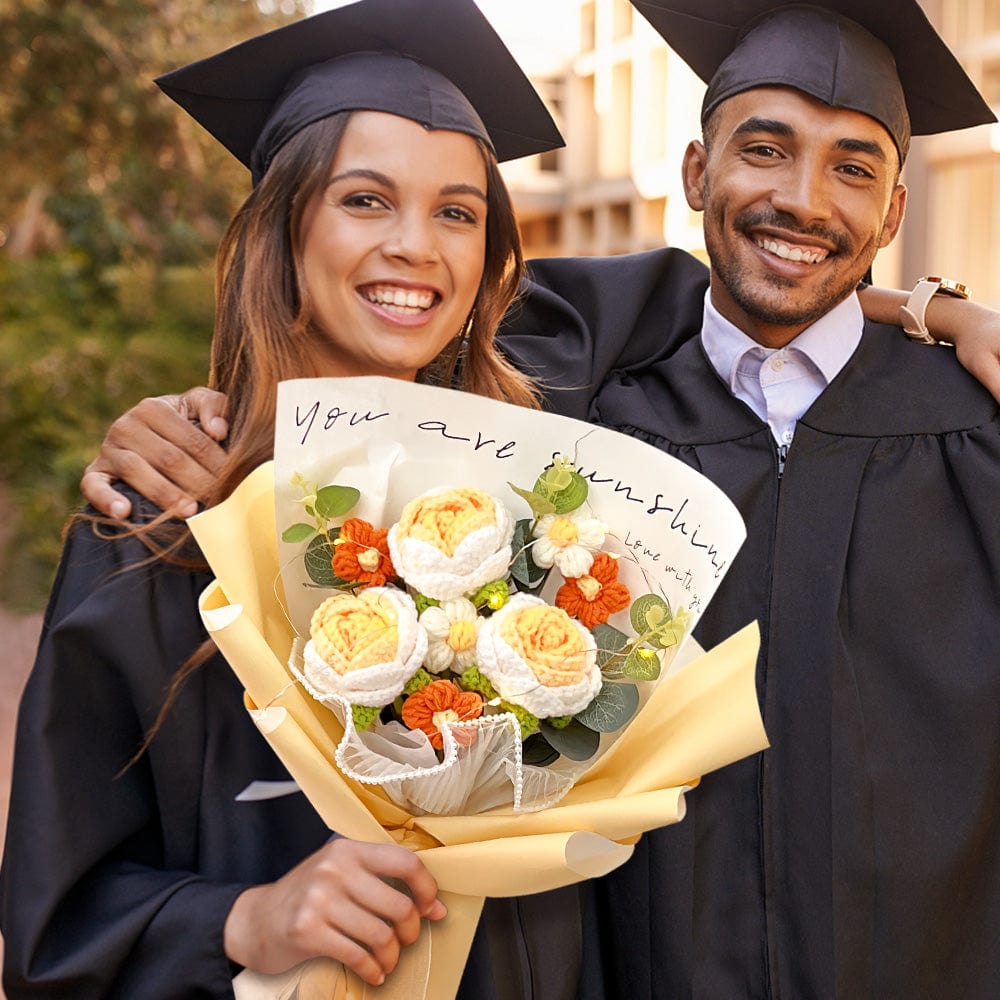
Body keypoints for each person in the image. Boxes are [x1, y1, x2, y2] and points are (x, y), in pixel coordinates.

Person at [80, 2, 1000, 998]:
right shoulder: (561, 416)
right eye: (763, 149)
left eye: (853, 168)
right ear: (695, 174)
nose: (803, 198)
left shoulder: (978, 440)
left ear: (895, 212)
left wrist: (929, 302)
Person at [0, 2, 597, 997]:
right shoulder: (157, 524)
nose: (418, 246)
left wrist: (934, 309)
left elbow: (735, 303)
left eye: (457, 211)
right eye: (365, 200)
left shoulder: (535, 512)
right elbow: (52, 920)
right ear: (281, 228)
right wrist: (246, 918)